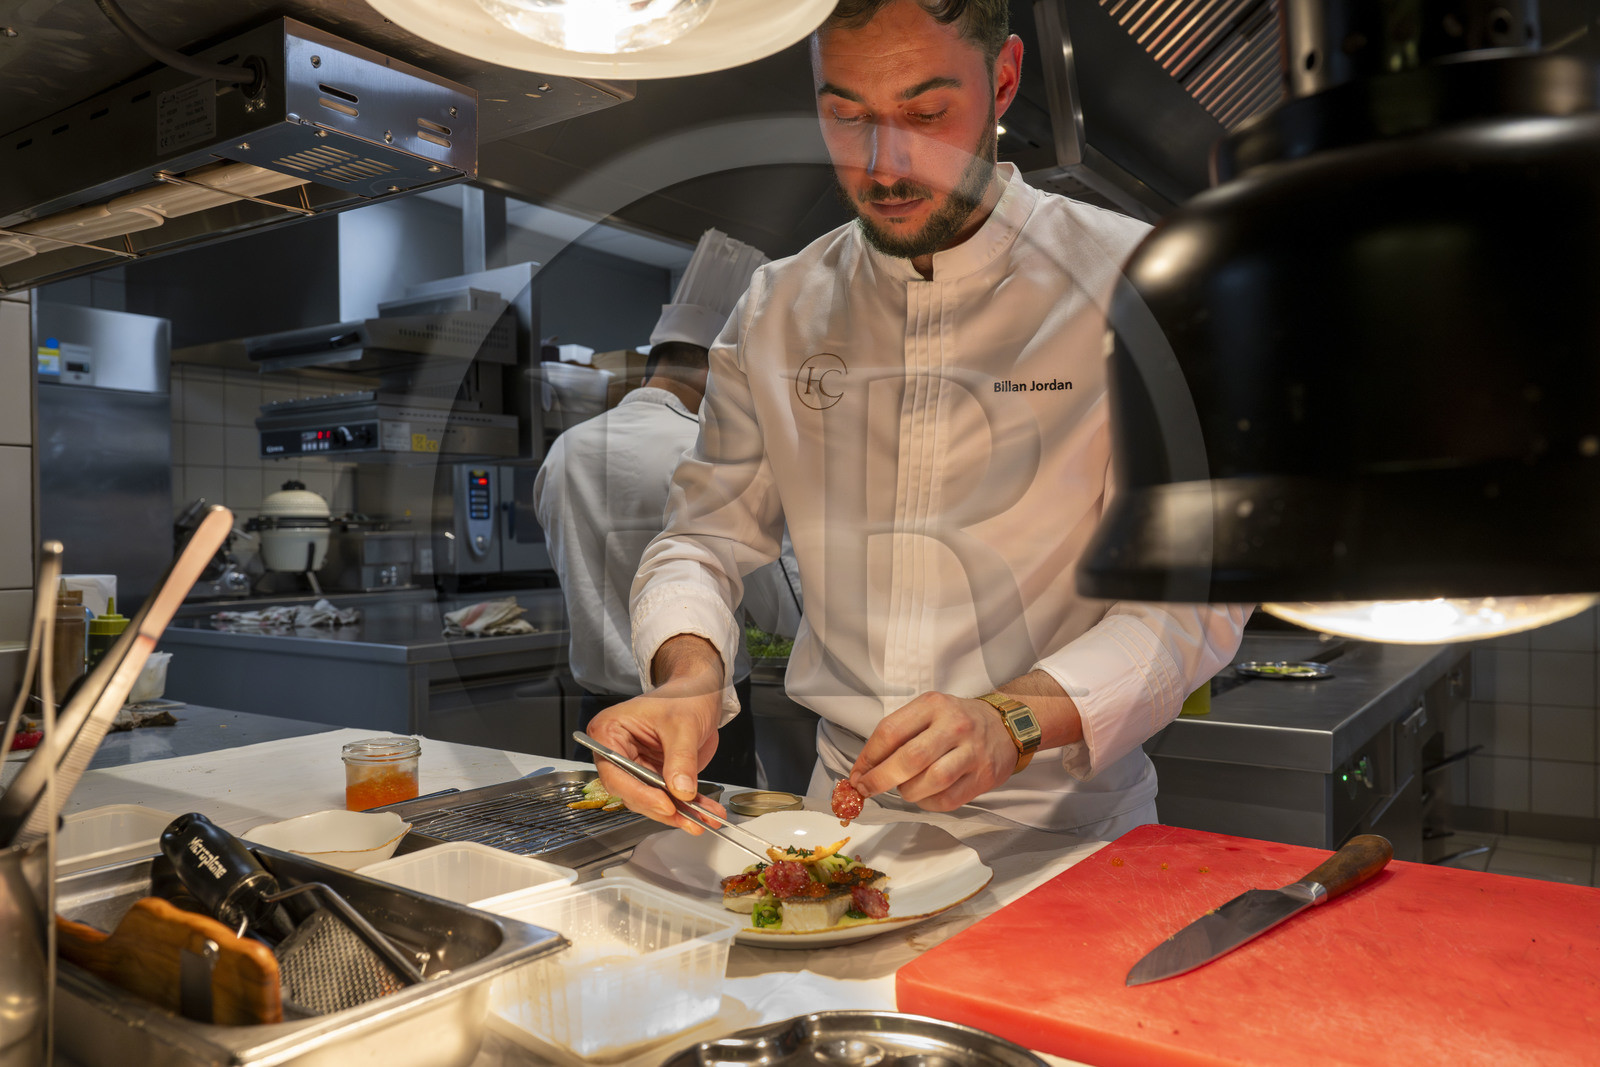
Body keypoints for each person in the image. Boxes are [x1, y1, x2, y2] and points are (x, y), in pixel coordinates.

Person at [589, 0, 1249, 838]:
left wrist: (1011, 719)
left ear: (1004, 78)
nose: (885, 164)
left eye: (927, 113)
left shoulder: (1138, 283)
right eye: (845, 115)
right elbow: (703, 539)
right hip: (845, 819)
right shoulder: (778, 308)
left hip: (1063, 827)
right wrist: (687, 680)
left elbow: (1196, 594)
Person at [533, 229, 801, 785]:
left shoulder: (566, 449)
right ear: (718, 372)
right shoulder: (703, 450)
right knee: (711, 864)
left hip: (604, 717)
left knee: (613, 859)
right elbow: (781, 606)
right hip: (702, 713)